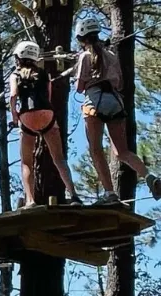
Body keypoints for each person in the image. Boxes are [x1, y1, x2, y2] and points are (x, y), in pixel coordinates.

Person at [74, 18, 161, 203]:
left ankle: (109, 193)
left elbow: (80, 87)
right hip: (115, 102)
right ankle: (149, 177)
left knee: (96, 149)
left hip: (94, 103)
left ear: (81, 37)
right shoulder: (111, 56)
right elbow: (120, 83)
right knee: (122, 151)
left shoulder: (84, 56)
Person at [9, 40, 82, 208]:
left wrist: (15, 117)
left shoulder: (15, 75)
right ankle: (74, 195)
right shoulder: (44, 74)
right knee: (59, 159)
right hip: (47, 115)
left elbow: (13, 96)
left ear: (19, 57)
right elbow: (48, 96)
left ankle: (30, 200)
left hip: (27, 116)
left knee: (27, 162)